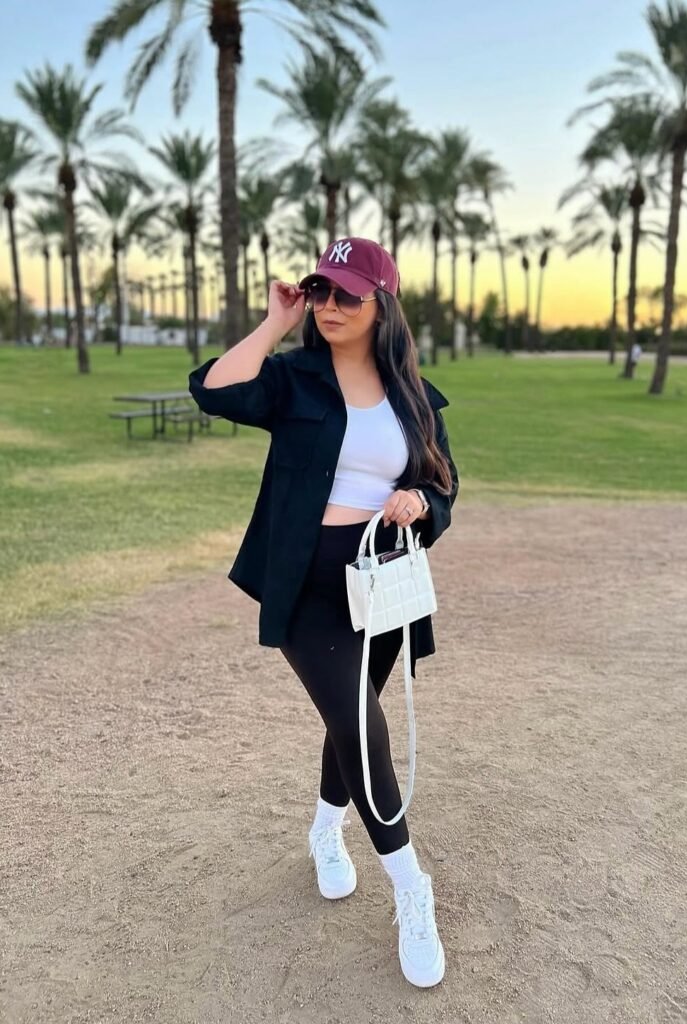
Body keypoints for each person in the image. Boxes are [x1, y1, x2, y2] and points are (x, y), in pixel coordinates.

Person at [188, 237, 459, 989]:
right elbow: (214, 389)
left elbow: (444, 484)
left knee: (352, 715)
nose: (330, 305)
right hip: (305, 581)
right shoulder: (292, 380)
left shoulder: (414, 395)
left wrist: (419, 501)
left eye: (346, 294)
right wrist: (274, 323)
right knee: (355, 719)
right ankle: (411, 885)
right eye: (320, 291)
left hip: (381, 579)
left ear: (383, 306)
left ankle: (324, 829)